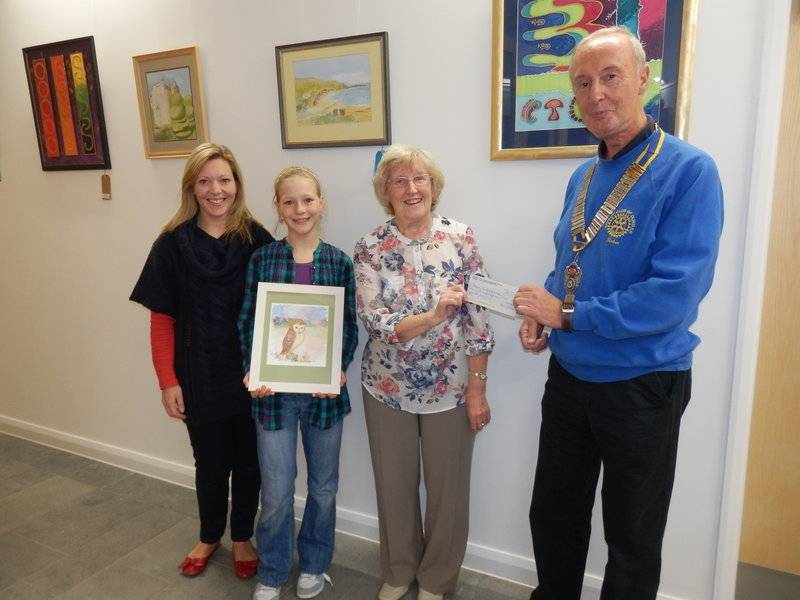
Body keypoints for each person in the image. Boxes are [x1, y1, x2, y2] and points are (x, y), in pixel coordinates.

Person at [512, 27, 724, 600]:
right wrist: (544, 313)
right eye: (583, 83)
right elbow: (570, 261)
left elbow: (673, 295)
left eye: (610, 77)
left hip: (643, 384)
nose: (597, 93)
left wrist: (569, 313)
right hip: (570, 377)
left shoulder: (690, 171)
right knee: (553, 515)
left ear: (643, 80)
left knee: (631, 535)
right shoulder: (583, 175)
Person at [353, 145, 495, 600]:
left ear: (433, 187)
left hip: (451, 387)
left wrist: (477, 387)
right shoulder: (370, 246)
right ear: (385, 192)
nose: (411, 189)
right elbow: (375, 320)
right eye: (399, 181)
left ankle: (436, 579)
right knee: (393, 485)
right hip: (386, 387)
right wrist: (432, 317)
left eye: (420, 179)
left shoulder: (461, 238)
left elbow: (479, 317)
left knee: (448, 490)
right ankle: (397, 571)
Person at [130, 142, 274, 578]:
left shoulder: (257, 240)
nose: (216, 190)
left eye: (225, 180)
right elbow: (161, 320)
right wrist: (167, 381)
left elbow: (280, 310)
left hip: (252, 378)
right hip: (198, 376)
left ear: (237, 185)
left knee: (250, 463)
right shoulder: (171, 244)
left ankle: (242, 537)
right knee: (210, 463)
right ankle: (210, 534)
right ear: (192, 187)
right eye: (206, 180)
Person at [238, 166, 358, 600]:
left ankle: (314, 564)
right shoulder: (263, 259)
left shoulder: (340, 262)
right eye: (289, 202)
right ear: (278, 208)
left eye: (307, 200)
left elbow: (347, 328)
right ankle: (271, 570)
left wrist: (338, 366)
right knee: (276, 491)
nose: (299, 209)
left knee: (324, 488)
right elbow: (250, 322)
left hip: (325, 398)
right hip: (273, 397)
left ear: (320, 203)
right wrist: (254, 369)